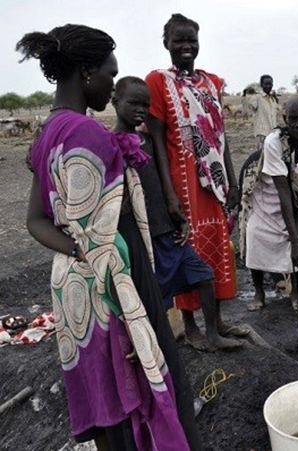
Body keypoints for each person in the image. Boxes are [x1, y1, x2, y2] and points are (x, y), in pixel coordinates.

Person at [19, 25, 201, 450]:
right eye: (109, 74)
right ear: (86, 72)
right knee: (150, 380)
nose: (111, 84)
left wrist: (77, 251)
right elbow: (104, 239)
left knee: (109, 397)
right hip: (115, 282)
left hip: (74, 285)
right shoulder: (88, 135)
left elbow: (36, 221)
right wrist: (130, 317)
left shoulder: (48, 133)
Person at [112, 76, 246, 351]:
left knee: (204, 276)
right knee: (156, 297)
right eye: (133, 103)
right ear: (115, 103)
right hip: (145, 236)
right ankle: (159, 346)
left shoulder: (147, 140)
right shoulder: (111, 146)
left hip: (168, 229)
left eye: (145, 105)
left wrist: (179, 218)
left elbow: (164, 182)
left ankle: (212, 334)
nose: (140, 110)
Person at [145, 14, 247, 349]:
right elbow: (158, 141)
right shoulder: (157, 82)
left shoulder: (212, 82)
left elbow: (220, 137)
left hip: (213, 182)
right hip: (182, 180)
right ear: (167, 44)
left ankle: (216, 321)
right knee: (189, 250)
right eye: (179, 40)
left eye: (191, 40)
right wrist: (169, 194)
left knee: (217, 245)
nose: (186, 46)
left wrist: (231, 180)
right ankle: (190, 326)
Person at [239, 96, 298, 311]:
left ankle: (294, 292)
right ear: (285, 119)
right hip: (265, 190)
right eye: (293, 119)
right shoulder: (273, 141)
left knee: (290, 237)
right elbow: (282, 189)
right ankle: (259, 293)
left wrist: (297, 218)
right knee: (256, 235)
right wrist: (296, 240)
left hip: (292, 192)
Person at [242, 74, 280, 151]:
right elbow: (248, 108)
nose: (268, 86)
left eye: (270, 84)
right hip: (262, 134)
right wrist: (246, 96)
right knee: (261, 157)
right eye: (266, 84)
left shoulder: (272, 99)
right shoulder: (257, 97)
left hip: (273, 133)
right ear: (262, 85)